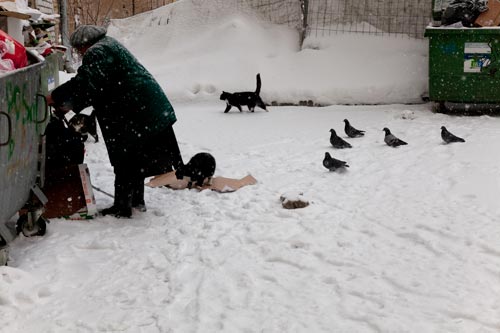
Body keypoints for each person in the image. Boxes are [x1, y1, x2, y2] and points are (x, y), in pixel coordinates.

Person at [46, 25, 183, 218]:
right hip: (145, 109)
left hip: (136, 112)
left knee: (125, 158)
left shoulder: (98, 51)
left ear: (84, 44)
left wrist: (55, 97)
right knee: (135, 158)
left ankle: (123, 206)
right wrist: (69, 103)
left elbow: (86, 84)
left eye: (78, 49)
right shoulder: (109, 45)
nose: (78, 52)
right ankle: (135, 201)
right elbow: (97, 87)